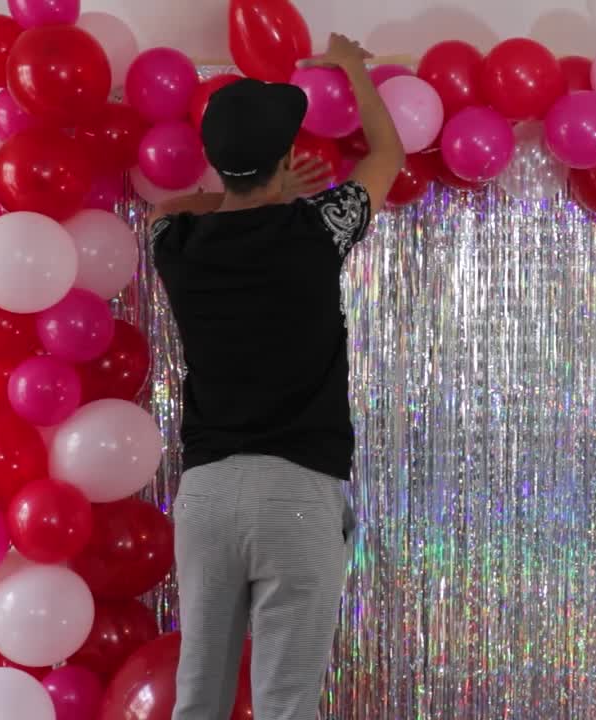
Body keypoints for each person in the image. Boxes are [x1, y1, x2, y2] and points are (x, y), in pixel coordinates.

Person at [150, 33, 404, 720]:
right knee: (287, 705)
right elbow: (388, 156)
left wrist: (259, 193)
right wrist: (352, 68)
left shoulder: (176, 246)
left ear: (215, 162)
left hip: (204, 498)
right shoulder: (316, 229)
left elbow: (166, 210)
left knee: (197, 698)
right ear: (282, 157)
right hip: (295, 491)